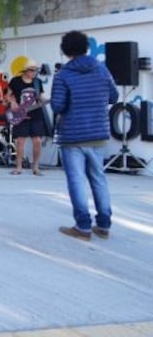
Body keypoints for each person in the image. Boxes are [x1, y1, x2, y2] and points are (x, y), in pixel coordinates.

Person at [50, 30, 118, 241]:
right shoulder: (102, 70)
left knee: (77, 181)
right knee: (98, 178)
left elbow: (58, 105)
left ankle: (83, 227)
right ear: (86, 47)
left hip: (72, 136)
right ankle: (104, 225)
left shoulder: (63, 75)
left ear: (65, 50)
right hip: (98, 133)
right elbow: (114, 96)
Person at [7, 59, 48, 175]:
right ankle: (18, 167)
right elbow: (8, 95)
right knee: (20, 141)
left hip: (36, 114)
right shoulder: (15, 81)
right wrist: (13, 102)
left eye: (35, 71)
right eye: (31, 70)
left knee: (37, 141)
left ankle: (35, 167)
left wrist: (49, 100)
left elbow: (40, 97)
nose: (33, 73)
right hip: (21, 115)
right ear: (25, 71)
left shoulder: (37, 82)